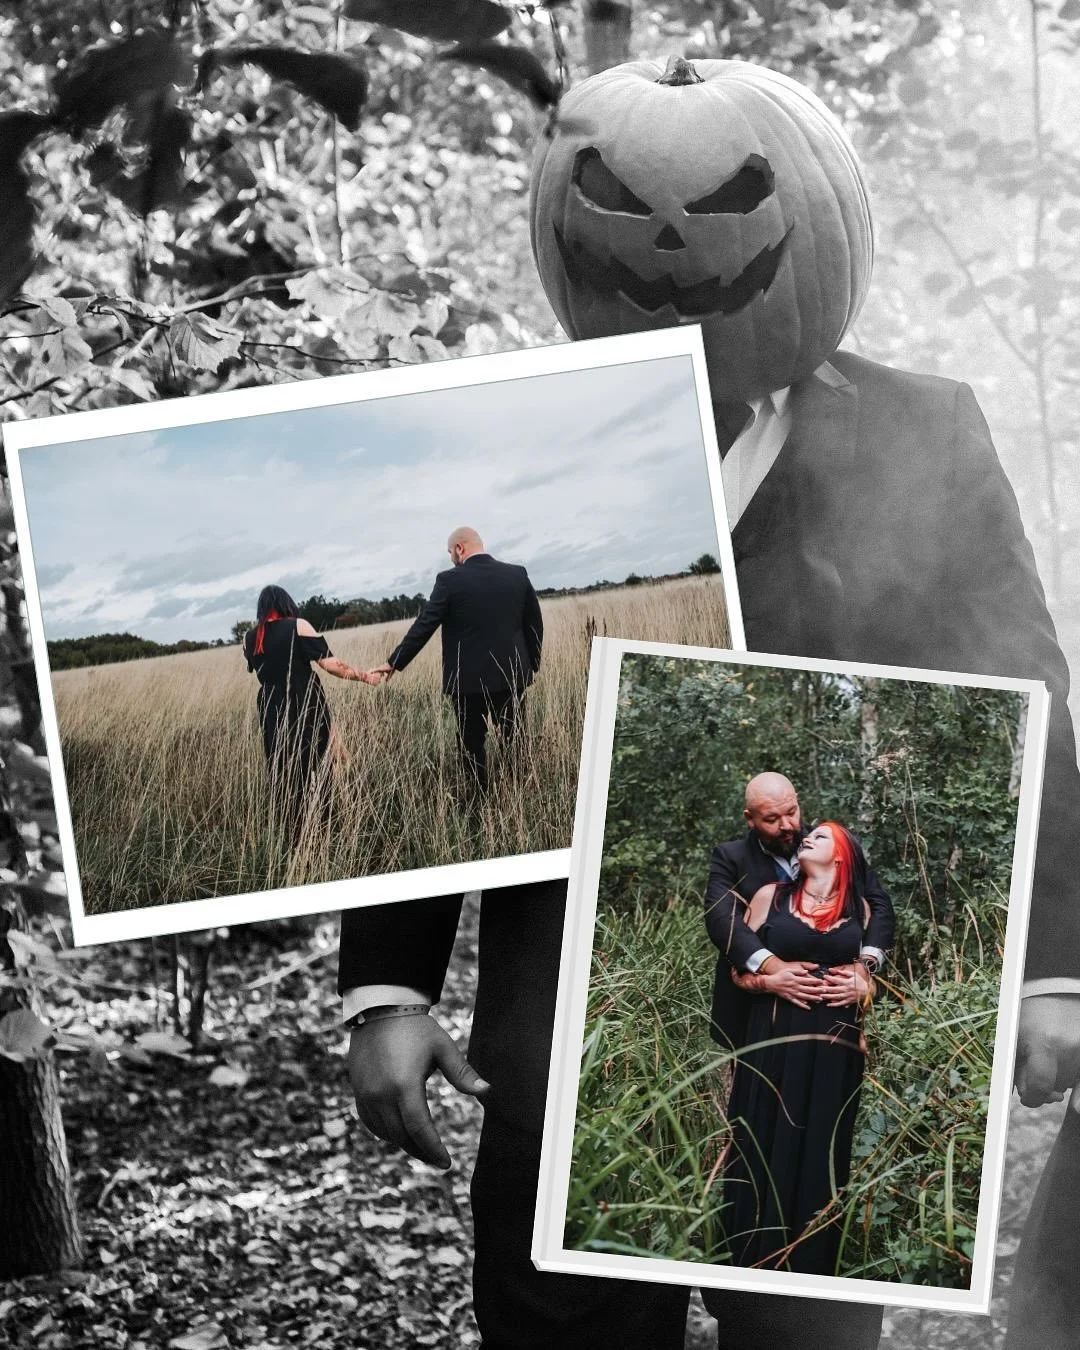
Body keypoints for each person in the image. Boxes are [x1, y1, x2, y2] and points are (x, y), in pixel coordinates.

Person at [339, 65, 1080, 1350]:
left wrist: (1055, 967)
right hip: (567, 1041)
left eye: (733, 200)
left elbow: (1026, 696)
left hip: (828, 1049)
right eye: (621, 208)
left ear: (818, 217)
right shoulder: (509, 446)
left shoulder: (928, 433)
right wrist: (389, 991)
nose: (674, 249)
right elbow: (444, 723)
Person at [720, 822, 882, 1275]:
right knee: (761, 1140)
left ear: (841, 856)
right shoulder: (769, 896)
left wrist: (864, 990)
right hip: (771, 1041)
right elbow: (736, 972)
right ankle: (747, 1255)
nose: (808, 836)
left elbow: (871, 983)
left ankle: (811, 1260)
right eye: (808, 833)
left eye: (823, 836)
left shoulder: (863, 912)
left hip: (835, 1049)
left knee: (822, 1148)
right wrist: (767, 978)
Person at [704, 772, 893, 1054]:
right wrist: (773, 968)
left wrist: (864, 967)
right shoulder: (731, 858)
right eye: (771, 819)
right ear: (750, 819)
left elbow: (880, 906)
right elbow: (722, 920)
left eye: (792, 812)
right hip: (755, 1010)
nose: (787, 825)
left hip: (832, 1021)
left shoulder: (831, 846)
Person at [370, 527, 543, 796]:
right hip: (512, 676)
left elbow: (425, 624)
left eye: (450, 552)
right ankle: (521, 793)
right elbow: (534, 625)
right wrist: (531, 666)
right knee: (515, 738)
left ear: (460, 548)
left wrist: (394, 662)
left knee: (471, 744)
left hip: (467, 683)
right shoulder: (516, 573)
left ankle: (479, 797)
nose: (450, 557)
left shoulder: (449, 580)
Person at [243, 585, 377, 831]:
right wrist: (364, 676)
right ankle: (322, 824)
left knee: (284, 768)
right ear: (287, 603)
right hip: (304, 702)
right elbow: (333, 665)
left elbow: (258, 668)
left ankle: (295, 829)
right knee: (318, 763)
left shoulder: (250, 637)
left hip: (271, 709)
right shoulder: (298, 625)